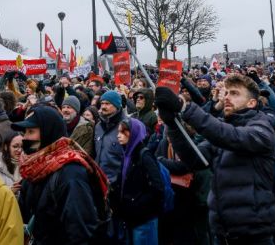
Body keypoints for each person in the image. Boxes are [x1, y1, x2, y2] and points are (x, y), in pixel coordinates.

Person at [155, 74, 275, 245]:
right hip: (221, 231)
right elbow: (194, 159)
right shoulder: (224, 128)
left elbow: (232, 137)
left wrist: (185, 108)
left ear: (251, 103)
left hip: (253, 233)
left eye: (234, 93)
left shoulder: (263, 127)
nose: (226, 97)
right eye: (226, 93)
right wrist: (173, 125)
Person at [13, 105, 109, 244]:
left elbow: (81, 232)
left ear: (48, 133)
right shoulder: (33, 168)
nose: (25, 138)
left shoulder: (71, 172)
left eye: (31, 131)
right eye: (25, 132)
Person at [111, 118, 164, 244]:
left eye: (124, 132)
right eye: (119, 132)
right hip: (130, 218)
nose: (119, 135)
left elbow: (158, 188)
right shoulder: (127, 155)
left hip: (143, 220)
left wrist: (136, 205)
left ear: (134, 133)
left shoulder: (145, 156)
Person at [95, 90, 126, 184]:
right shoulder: (98, 127)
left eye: (107, 103)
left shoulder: (127, 126)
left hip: (117, 184)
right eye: (102, 103)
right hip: (99, 181)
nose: (103, 107)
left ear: (117, 105)